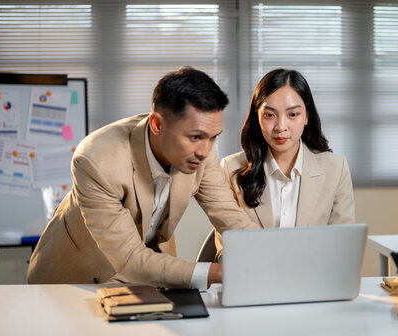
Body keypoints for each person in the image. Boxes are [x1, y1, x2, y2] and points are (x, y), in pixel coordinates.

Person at [27, 67, 257, 289]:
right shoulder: (96, 160)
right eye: (196, 137)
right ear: (157, 124)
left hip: (148, 268)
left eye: (213, 138)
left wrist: (268, 256)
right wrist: (219, 273)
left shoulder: (201, 151)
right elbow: (129, 259)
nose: (205, 151)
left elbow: (229, 216)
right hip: (77, 274)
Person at [215, 69, 355, 260]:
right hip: (254, 281)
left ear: (306, 116)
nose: (281, 126)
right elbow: (226, 251)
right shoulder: (231, 168)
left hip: (313, 283)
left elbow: (343, 248)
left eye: (293, 114)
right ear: (257, 116)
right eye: (270, 115)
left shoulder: (335, 169)